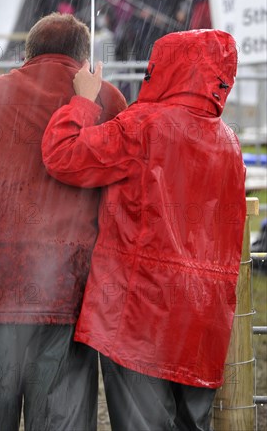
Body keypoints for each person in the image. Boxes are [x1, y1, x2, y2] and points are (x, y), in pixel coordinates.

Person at [42, 29, 246, 431]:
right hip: (203, 319)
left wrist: (83, 100)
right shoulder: (229, 143)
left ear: (167, 69)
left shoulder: (143, 126)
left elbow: (63, 155)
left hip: (140, 316)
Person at [0, 13, 126, 431]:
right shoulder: (108, 102)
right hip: (65, 295)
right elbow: (121, 191)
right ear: (83, 60)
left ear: (28, 53)